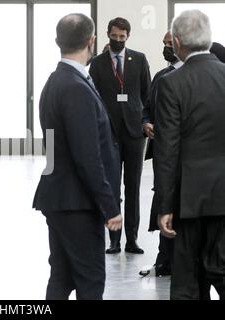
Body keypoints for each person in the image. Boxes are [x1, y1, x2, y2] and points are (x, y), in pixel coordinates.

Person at [33, 13, 122, 300]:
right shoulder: (74, 87)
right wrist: (110, 205)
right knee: (90, 280)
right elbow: (87, 157)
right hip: (77, 203)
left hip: (61, 198)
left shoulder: (56, 81)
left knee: (61, 277)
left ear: (58, 41)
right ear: (92, 41)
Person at [155, 9, 225, 300]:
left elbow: (167, 149)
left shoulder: (172, 83)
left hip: (188, 201)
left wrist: (165, 205)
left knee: (187, 284)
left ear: (178, 43)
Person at [89, 17, 151, 254]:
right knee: (112, 188)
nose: (117, 40)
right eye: (114, 36)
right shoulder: (98, 63)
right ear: (107, 34)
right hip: (109, 133)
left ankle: (132, 239)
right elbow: (92, 97)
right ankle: (114, 240)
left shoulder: (139, 59)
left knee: (133, 187)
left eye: (122, 37)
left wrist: (144, 120)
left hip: (135, 134)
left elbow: (146, 94)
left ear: (128, 36)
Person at [139, 31, 183, 277]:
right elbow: (147, 109)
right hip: (161, 154)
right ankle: (164, 258)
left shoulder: (187, 77)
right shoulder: (160, 76)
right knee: (162, 198)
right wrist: (146, 123)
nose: (166, 48)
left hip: (183, 156)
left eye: (170, 44)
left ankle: (176, 259)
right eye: (164, 44)